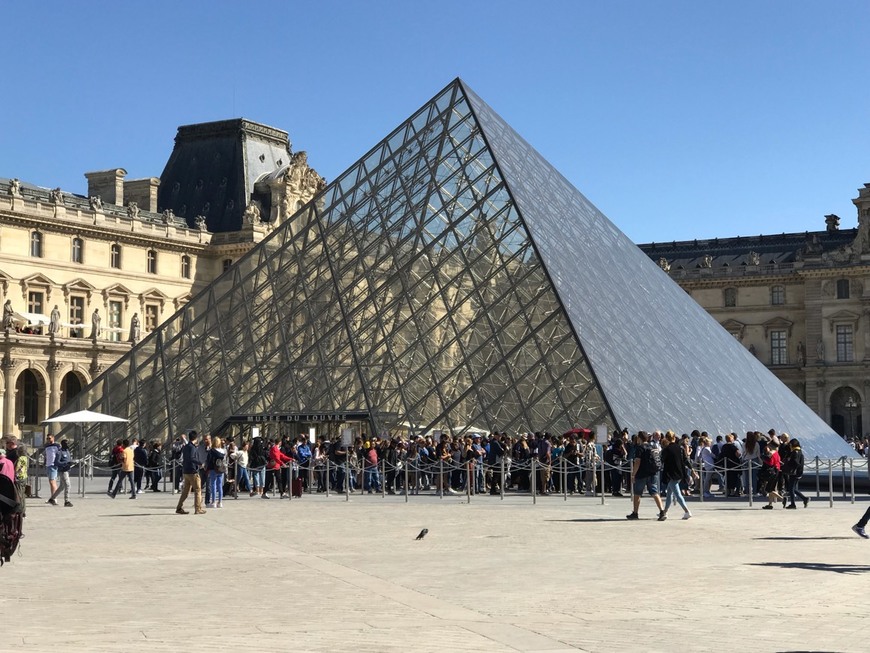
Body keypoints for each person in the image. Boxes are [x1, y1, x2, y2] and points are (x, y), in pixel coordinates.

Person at [626, 431, 665, 520]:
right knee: (654, 492)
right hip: (652, 473)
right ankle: (662, 511)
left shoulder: (640, 448)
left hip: (642, 474)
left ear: (639, 438)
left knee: (637, 493)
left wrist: (633, 474)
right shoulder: (652, 446)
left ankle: (635, 513)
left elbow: (637, 462)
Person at [659, 431, 692, 520]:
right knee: (669, 493)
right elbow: (685, 460)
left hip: (670, 474)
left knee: (677, 494)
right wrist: (692, 469)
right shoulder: (680, 448)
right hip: (679, 473)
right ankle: (664, 512)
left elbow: (662, 461)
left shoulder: (666, 449)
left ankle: (687, 511)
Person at [176, 431, 206, 515]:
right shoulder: (192, 447)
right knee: (197, 490)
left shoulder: (186, 447)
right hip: (193, 471)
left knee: (185, 491)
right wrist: (200, 463)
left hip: (186, 471)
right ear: (196, 438)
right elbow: (192, 458)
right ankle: (198, 508)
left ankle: (179, 507)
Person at [782, 438, 809, 509]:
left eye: (790, 445)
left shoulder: (795, 452)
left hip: (794, 472)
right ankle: (804, 499)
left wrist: (789, 462)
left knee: (791, 488)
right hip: (799, 472)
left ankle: (793, 504)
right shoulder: (800, 451)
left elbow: (795, 462)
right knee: (792, 488)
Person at [46, 439, 73, 507]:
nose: (68, 445)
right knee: (68, 485)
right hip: (62, 471)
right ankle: (66, 501)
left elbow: (68, 460)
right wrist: (65, 463)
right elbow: (56, 462)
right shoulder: (59, 452)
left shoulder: (68, 452)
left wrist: (71, 463)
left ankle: (52, 498)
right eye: (67, 444)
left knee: (62, 486)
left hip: (67, 470)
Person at [759, 440, 784, 509]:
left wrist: (764, 459)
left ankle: (782, 499)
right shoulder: (776, 453)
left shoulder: (771, 453)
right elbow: (778, 461)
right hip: (777, 470)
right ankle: (770, 504)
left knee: (769, 489)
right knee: (771, 488)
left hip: (772, 472)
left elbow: (770, 463)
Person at [205, 436, 227, 508]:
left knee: (213, 485)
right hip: (221, 469)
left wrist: (207, 469)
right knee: (220, 486)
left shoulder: (211, 451)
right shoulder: (223, 451)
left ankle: (213, 502)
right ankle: (220, 502)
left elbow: (209, 461)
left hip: (213, 469)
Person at [44, 434, 60, 498]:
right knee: (51, 482)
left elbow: (59, 454)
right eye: (47, 438)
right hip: (48, 465)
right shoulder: (47, 446)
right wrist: (45, 462)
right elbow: (46, 455)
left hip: (53, 465)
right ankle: (53, 496)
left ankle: (54, 498)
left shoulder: (57, 446)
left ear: (53, 438)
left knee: (52, 481)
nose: (48, 440)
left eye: (49, 438)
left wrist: (57, 463)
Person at [13, 443, 27, 515]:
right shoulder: (25, 458)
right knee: (23, 494)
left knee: (19, 494)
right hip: (24, 477)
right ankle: (23, 510)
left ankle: (20, 510)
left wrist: (15, 473)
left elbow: (18, 468)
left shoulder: (20, 459)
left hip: (19, 478)